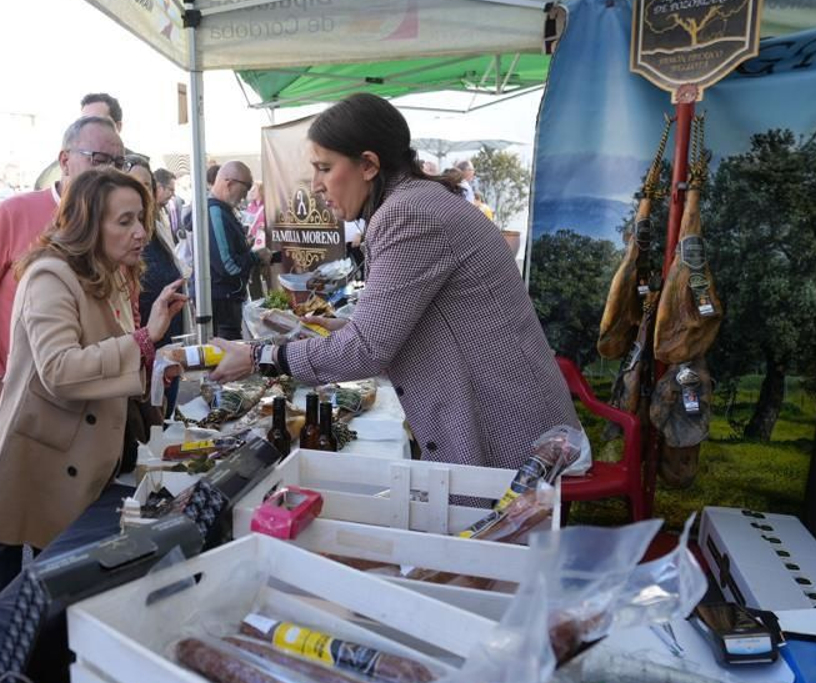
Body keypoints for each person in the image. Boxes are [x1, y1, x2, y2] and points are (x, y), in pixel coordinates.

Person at [208, 93, 576, 469]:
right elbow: (415, 323)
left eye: (324, 167)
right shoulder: (418, 201)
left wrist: (261, 356)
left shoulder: (407, 214)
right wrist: (350, 327)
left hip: (506, 431)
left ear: (368, 164)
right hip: (512, 420)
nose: (316, 184)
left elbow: (365, 350)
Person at [0, 114, 126, 603]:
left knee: (67, 530)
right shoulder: (13, 214)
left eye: (118, 160)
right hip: (18, 396)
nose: (109, 168)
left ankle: (46, 624)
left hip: (82, 403)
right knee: (3, 529)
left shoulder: (111, 223)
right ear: (64, 160)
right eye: (99, 158)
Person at [0, 168, 186, 551]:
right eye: (125, 221)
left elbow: (113, 351)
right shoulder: (50, 276)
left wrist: (152, 363)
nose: (140, 231)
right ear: (88, 226)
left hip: (99, 455)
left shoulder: (113, 272)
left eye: (141, 218)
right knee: (57, 582)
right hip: (58, 462)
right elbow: (60, 370)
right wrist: (144, 340)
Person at [128, 159, 186, 347]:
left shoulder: (157, 228)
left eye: (146, 184)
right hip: (142, 341)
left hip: (168, 337)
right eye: (133, 183)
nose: (140, 191)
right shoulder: (119, 238)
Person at [205, 159, 258, 339]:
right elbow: (228, 266)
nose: (244, 198)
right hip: (222, 301)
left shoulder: (222, 210)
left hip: (226, 298)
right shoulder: (215, 212)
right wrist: (255, 257)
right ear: (229, 184)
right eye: (243, 192)